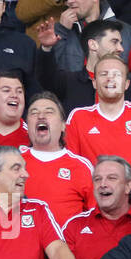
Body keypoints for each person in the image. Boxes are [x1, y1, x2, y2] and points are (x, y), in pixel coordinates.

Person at [65, 54, 131, 208]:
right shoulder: (78, 117)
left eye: (117, 74)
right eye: (103, 74)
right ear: (94, 82)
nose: (110, 79)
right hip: (93, 211)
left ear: (126, 84)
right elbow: (72, 168)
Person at [36, 17, 131, 111]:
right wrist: (46, 48)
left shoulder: (127, 84)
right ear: (93, 45)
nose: (121, 49)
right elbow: (46, 76)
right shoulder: (68, 82)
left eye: (120, 43)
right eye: (114, 42)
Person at [19, 94, 93, 227]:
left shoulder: (82, 167)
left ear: (63, 126)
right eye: (34, 112)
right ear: (27, 125)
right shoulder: (12, 162)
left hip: (68, 246)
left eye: (49, 112)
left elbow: (95, 218)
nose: (41, 116)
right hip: (21, 245)